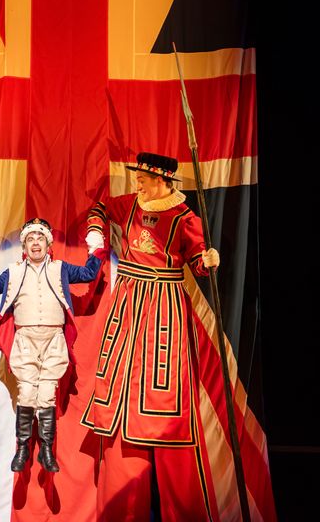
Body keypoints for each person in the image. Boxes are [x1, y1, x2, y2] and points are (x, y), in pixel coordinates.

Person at [80, 152, 222, 521]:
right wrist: (96, 233)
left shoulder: (183, 217)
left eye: (142, 177)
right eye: (138, 176)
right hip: (127, 299)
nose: (137, 182)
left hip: (163, 303)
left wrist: (206, 261)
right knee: (121, 382)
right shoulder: (128, 204)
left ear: (160, 179)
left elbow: (197, 264)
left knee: (162, 387)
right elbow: (99, 209)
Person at [0, 218, 107, 473]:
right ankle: (23, 447)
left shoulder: (60, 268)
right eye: (30, 239)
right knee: (26, 394)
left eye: (40, 239)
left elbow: (89, 274)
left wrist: (96, 245)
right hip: (24, 340)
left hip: (53, 341)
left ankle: (46, 449)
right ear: (24, 246)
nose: (35, 243)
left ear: (48, 244)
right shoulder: (13, 271)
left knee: (46, 395)